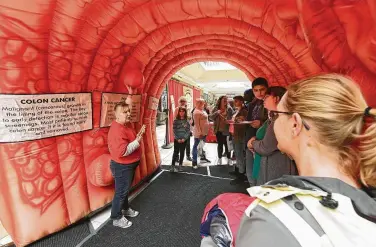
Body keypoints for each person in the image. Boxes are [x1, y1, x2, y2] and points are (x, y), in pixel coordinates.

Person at [200, 74, 376, 246]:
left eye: (276, 115)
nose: (274, 122)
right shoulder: (364, 200)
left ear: (295, 124)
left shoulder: (272, 219)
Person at [247, 86, 298, 185]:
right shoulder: (273, 118)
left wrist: (252, 143)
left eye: (266, 97)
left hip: (274, 168)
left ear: (276, 98)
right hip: (271, 166)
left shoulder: (279, 120)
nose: (263, 100)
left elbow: (266, 147)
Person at [107, 102, 146, 228]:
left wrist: (137, 137)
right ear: (116, 115)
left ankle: (125, 209)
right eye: (125, 112)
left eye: (128, 111)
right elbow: (122, 152)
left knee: (123, 191)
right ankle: (116, 217)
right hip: (122, 167)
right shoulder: (116, 130)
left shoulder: (124, 125)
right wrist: (137, 141)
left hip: (127, 166)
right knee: (120, 192)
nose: (128, 114)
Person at [245, 77, 268, 185]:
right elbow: (250, 119)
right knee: (250, 170)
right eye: (256, 90)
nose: (259, 93)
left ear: (267, 89)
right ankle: (252, 191)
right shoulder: (253, 104)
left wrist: (261, 123)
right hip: (251, 138)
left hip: (263, 141)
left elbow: (276, 122)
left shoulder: (270, 102)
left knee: (260, 171)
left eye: (262, 89)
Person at [229, 95, 248, 185]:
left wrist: (234, 120)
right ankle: (238, 170)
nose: (235, 102)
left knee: (239, 154)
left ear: (241, 101)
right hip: (234, 134)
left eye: (236, 101)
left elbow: (242, 122)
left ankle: (241, 174)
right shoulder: (237, 110)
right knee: (237, 153)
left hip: (239, 135)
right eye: (234, 101)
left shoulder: (244, 111)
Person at [210, 96, 234, 165]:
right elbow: (211, 117)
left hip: (227, 130)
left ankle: (229, 159)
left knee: (227, 145)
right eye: (224, 100)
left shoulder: (229, 109)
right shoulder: (216, 108)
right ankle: (219, 158)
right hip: (218, 130)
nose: (226, 101)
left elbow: (233, 118)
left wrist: (228, 120)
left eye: (226, 100)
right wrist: (217, 112)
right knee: (220, 145)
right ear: (220, 101)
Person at [170, 107, 191, 172]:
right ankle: (172, 166)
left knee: (182, 152)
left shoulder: (187, 121)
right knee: (175, 152)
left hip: (184, 140)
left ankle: (180, 166)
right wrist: (177, 138)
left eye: (183, 111)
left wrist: (184, 138)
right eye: (180, 111)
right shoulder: (175, 121)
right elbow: (174, 130)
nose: (181, 113)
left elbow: (188, 131)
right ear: (178, 112)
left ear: (185, 112)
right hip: (177, 140)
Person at [192, 98, 210, 169]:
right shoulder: (196, 112)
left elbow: (205, 120)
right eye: (199, 103)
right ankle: (194, 162)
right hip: (199, 133)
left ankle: (202, 158)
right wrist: (200, 133)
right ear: (196, 103)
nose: (202, 104)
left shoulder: (202, 110)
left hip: (204, 132)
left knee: (201, 146)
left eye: (202, 103)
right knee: (196, 147)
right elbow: (196, 124)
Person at [174, 96, 192, 161]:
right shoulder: (177, 109)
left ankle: (188, 156)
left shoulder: (187, 109)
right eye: (181, 101)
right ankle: (176, 157)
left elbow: (190, 119)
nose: (183, 103)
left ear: (186, 102)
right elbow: (175, 119)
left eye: (184, 101)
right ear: (179, 102)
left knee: (188, 143)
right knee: (178, 144)